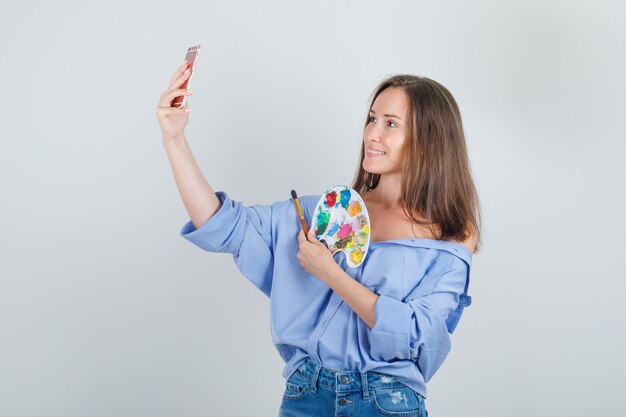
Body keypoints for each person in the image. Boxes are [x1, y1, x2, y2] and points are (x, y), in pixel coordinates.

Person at [156, 62, 482, 417]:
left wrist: (330, 272)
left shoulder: (450, 234)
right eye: (372, 119)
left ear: (429, 139)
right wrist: (174, 139)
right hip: (307, 395)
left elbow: (414, 336)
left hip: (387, 402)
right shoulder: (329, 213)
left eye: (391, 124)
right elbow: (224, 226)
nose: (373, 133)